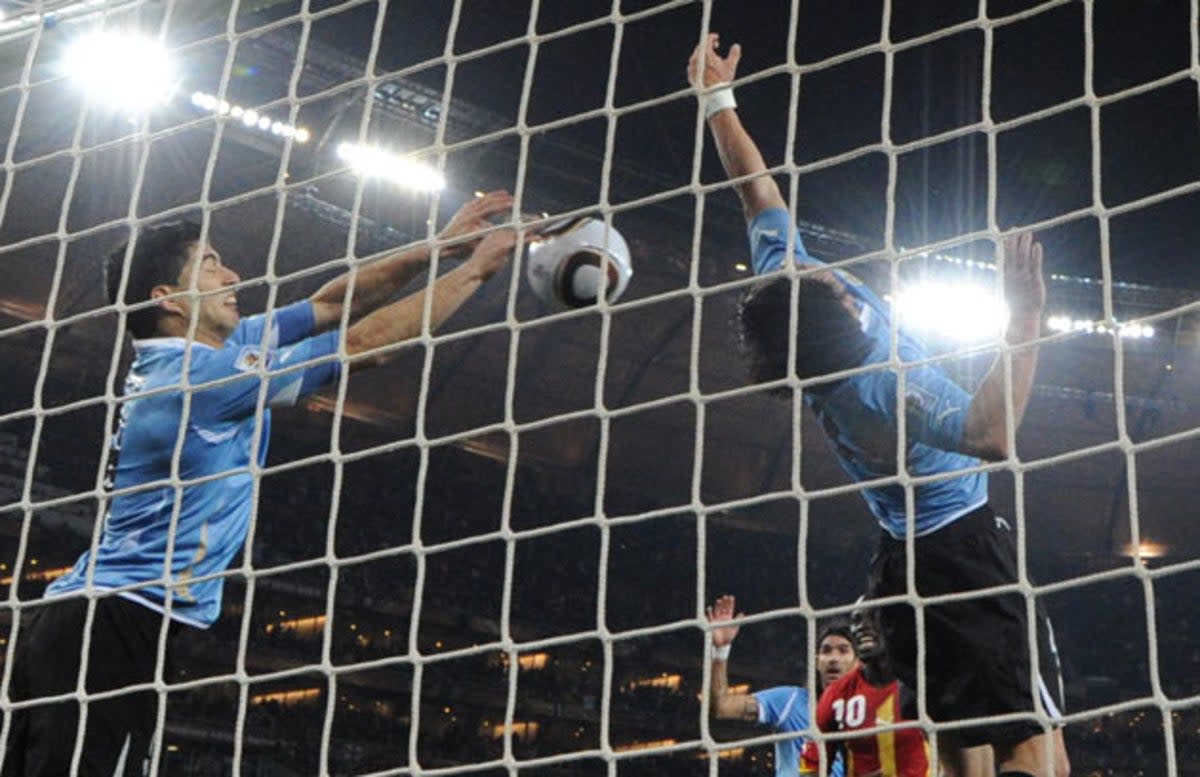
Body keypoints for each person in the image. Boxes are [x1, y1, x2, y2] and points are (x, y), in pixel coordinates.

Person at [1, 191, 525, 775]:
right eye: (210, 263)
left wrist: (439, 249)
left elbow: (332, 304)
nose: (233, 274)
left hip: (100, 623)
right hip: (112, 626)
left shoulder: (215, 353)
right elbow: (361, 344)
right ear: (168, 299)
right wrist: (478, 270)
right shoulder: (201, 378)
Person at [689, 34, 1067, 777]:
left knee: (962, 744)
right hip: (962, 550)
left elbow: (756, 191)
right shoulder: (878, 387)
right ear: (834, 322)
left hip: (898, 568)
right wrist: (1023, 320)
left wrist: (716, 100)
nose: (826, 275)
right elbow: (991, 435)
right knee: (1029, 742)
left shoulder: (785, 288)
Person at [707, 594, 855, 777]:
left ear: (858, 662)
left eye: (843, 650)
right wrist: (720, 650)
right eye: (826, 650)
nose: (833, 658)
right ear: (816, 662)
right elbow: (722, 706)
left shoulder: (866, 712)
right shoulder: (789, 701)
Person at [813, 603, 930, 777]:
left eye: (874, 616)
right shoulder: (836, 695)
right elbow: (811, 769)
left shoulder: (925, 684)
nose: (862, 625)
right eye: (857, 619)